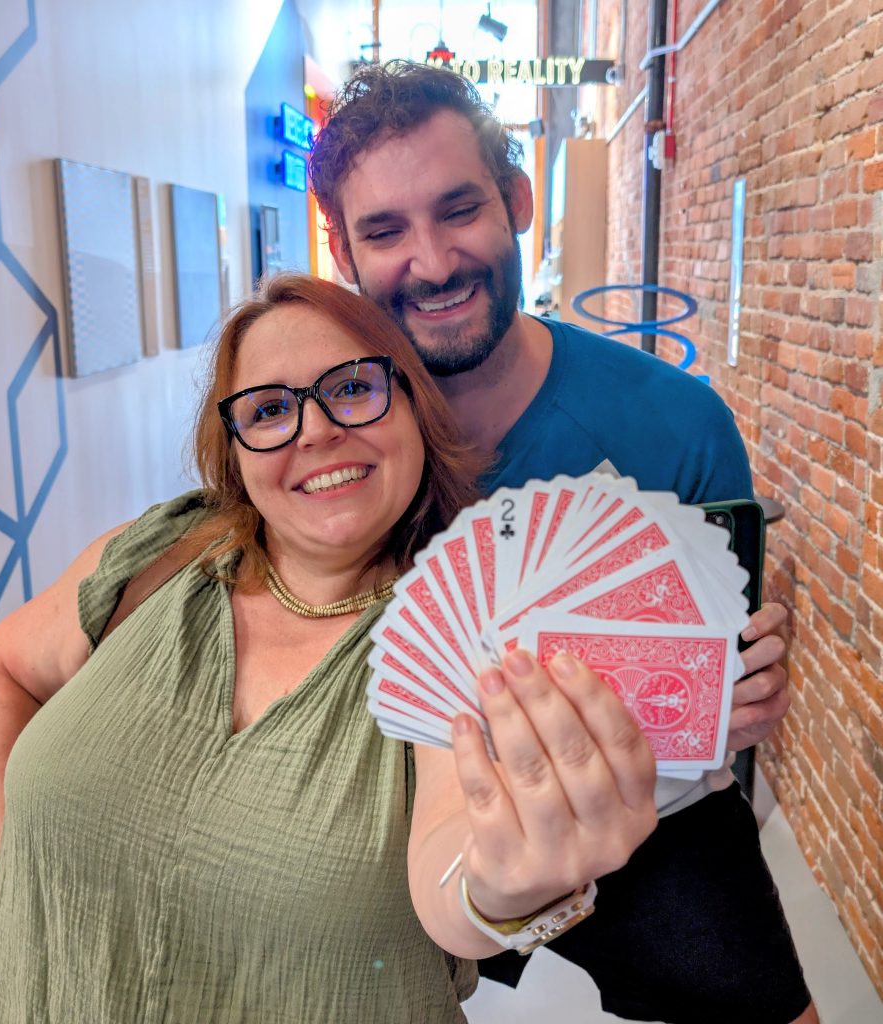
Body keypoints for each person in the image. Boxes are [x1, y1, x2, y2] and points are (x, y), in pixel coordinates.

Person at [0, 274, 659, 1023]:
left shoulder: (467, 631)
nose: (313, 432)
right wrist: (4, 869)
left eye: (351, 387)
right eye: (270, 409)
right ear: (234, 444)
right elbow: (4, 665)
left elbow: (455, 875)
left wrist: (500, 889)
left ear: (413, 405)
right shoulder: (155, 554)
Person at [308, 60, 818, 1024]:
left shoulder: (679, 426)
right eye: (384, 230)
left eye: (458, 210)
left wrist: (736, 697)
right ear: (343, 249)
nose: (431, 260)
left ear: (518, 201)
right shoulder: (336, 452)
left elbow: (722, 693)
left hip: (658, 826)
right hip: (414, 844)